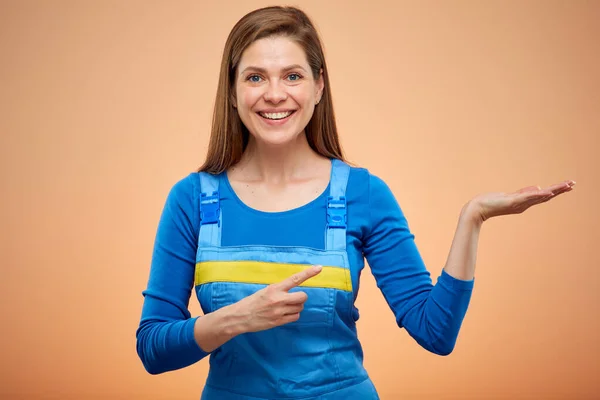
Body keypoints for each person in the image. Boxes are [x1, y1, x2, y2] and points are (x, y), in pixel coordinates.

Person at [135, 5, 575, 400]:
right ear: (232, 92)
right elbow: (152, 349)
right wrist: (235, 319)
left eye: (292, 75)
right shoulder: (192, 199)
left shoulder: (363, 194)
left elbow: (435, 331)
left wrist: (472, 218)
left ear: (319, 85)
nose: (274, 94)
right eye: (255, 77)